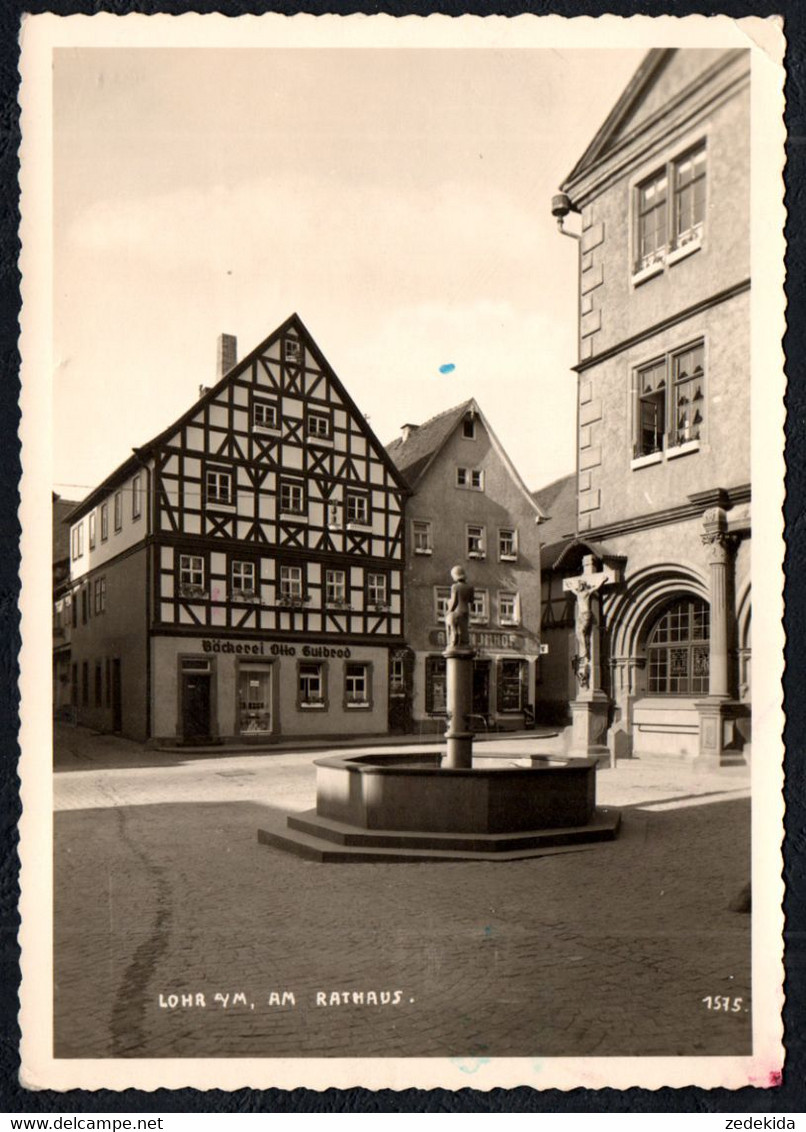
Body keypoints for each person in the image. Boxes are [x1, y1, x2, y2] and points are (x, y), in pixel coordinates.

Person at [445, 565, 474, 648]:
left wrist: (449, 611)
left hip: (458, 611)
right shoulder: (470, 587)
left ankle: (454, 644)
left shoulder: (455, 587)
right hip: (466, 611)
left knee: (455, 630)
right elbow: (471, 601)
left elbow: (454, 601)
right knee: (464, 629)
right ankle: (464, 644)